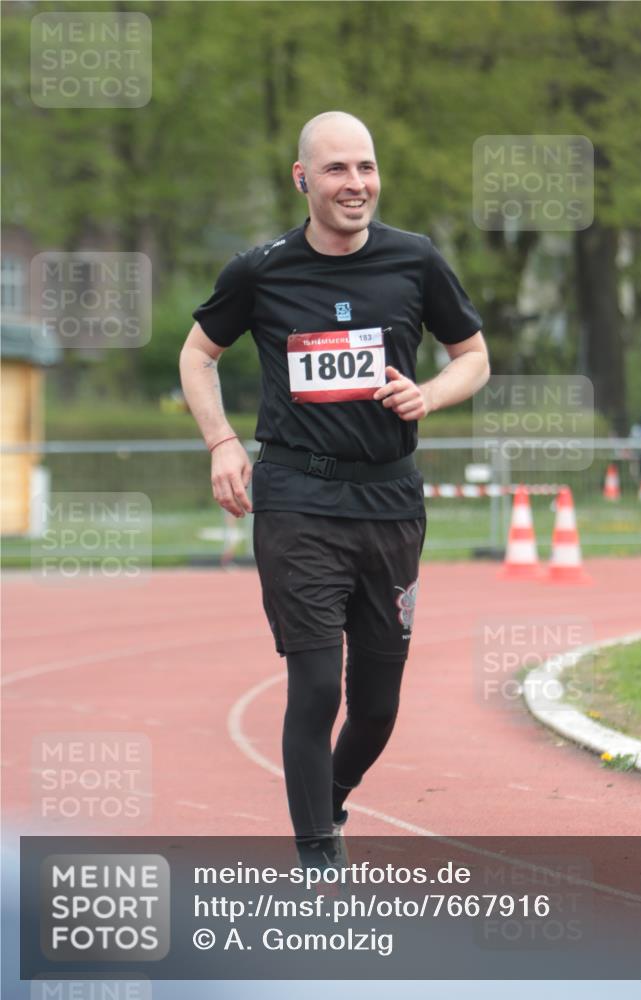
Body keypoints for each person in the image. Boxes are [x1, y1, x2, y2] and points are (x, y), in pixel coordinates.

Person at [179, 111, 490, 869]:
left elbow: (473, 355)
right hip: (296, 500)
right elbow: (197, 353)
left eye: (365, 168)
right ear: (302, 179)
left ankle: (331, 795)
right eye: (336, 170)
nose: (355, 185)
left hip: (389, 503)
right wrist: (221, 441)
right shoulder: (260, 269)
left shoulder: (415, 261)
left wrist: (431, 395)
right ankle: (317, 857)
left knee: (376, 706)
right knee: (316, 685)